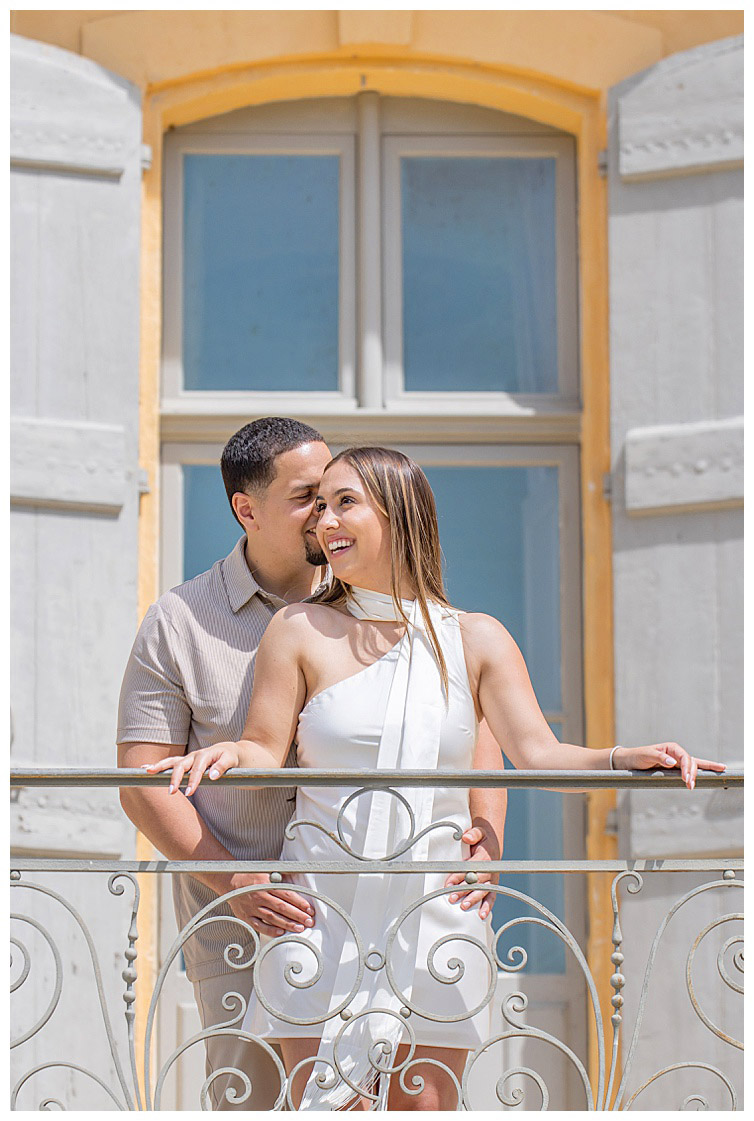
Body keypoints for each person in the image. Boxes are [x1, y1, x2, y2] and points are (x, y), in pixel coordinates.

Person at [147, 445, 726, 1111]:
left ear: (399, 512)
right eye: (320, 505)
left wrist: (624, 758)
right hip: (321, 914)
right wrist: (221, 756)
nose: (325, 522)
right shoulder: (298, 629)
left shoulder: (477, 639)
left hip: (436, 915)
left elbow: (537, 754)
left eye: (345, 503)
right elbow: (262, 749)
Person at [117, 421, 507, 1110]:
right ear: (247, 510)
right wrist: (235, 880)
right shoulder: (178, 622)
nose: (326, 514)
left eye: (337, 495)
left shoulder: (379, 589)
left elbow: (467, 722)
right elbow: (142, 782)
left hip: (397, 907)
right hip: (250, 918)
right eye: (308, 498)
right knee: (258, 1105)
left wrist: (487, 836)